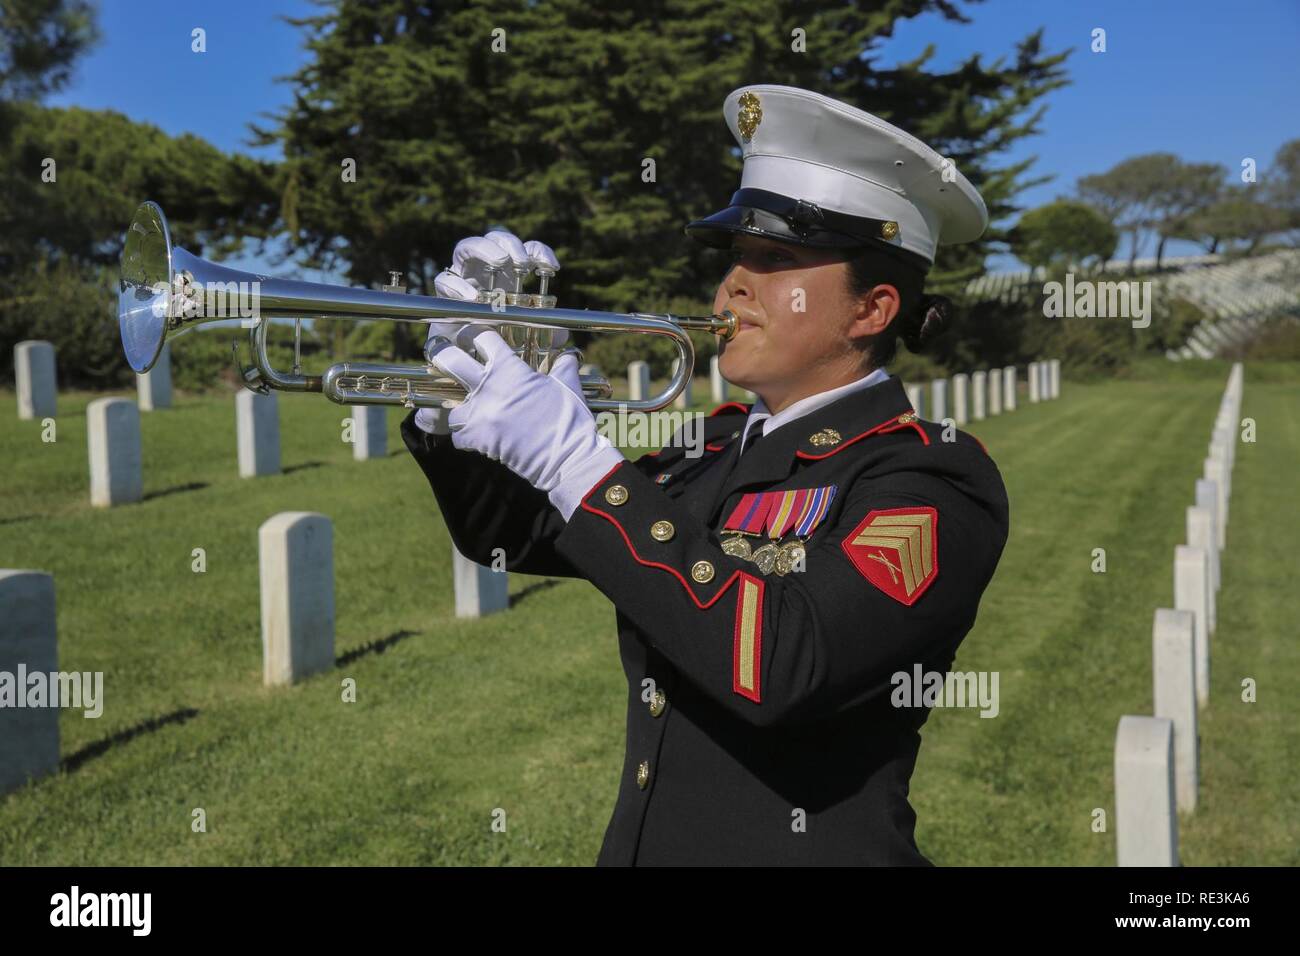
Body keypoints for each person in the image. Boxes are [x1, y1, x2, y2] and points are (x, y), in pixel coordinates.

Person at [401, 84, 1009, 865]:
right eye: (738, 258)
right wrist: (455, 406)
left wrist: (573, 457)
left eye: (777, 259)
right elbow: (511, 537)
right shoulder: (716, 445)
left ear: (872, 310)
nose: (734, 285)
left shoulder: (929, 477)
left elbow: (782, 667)